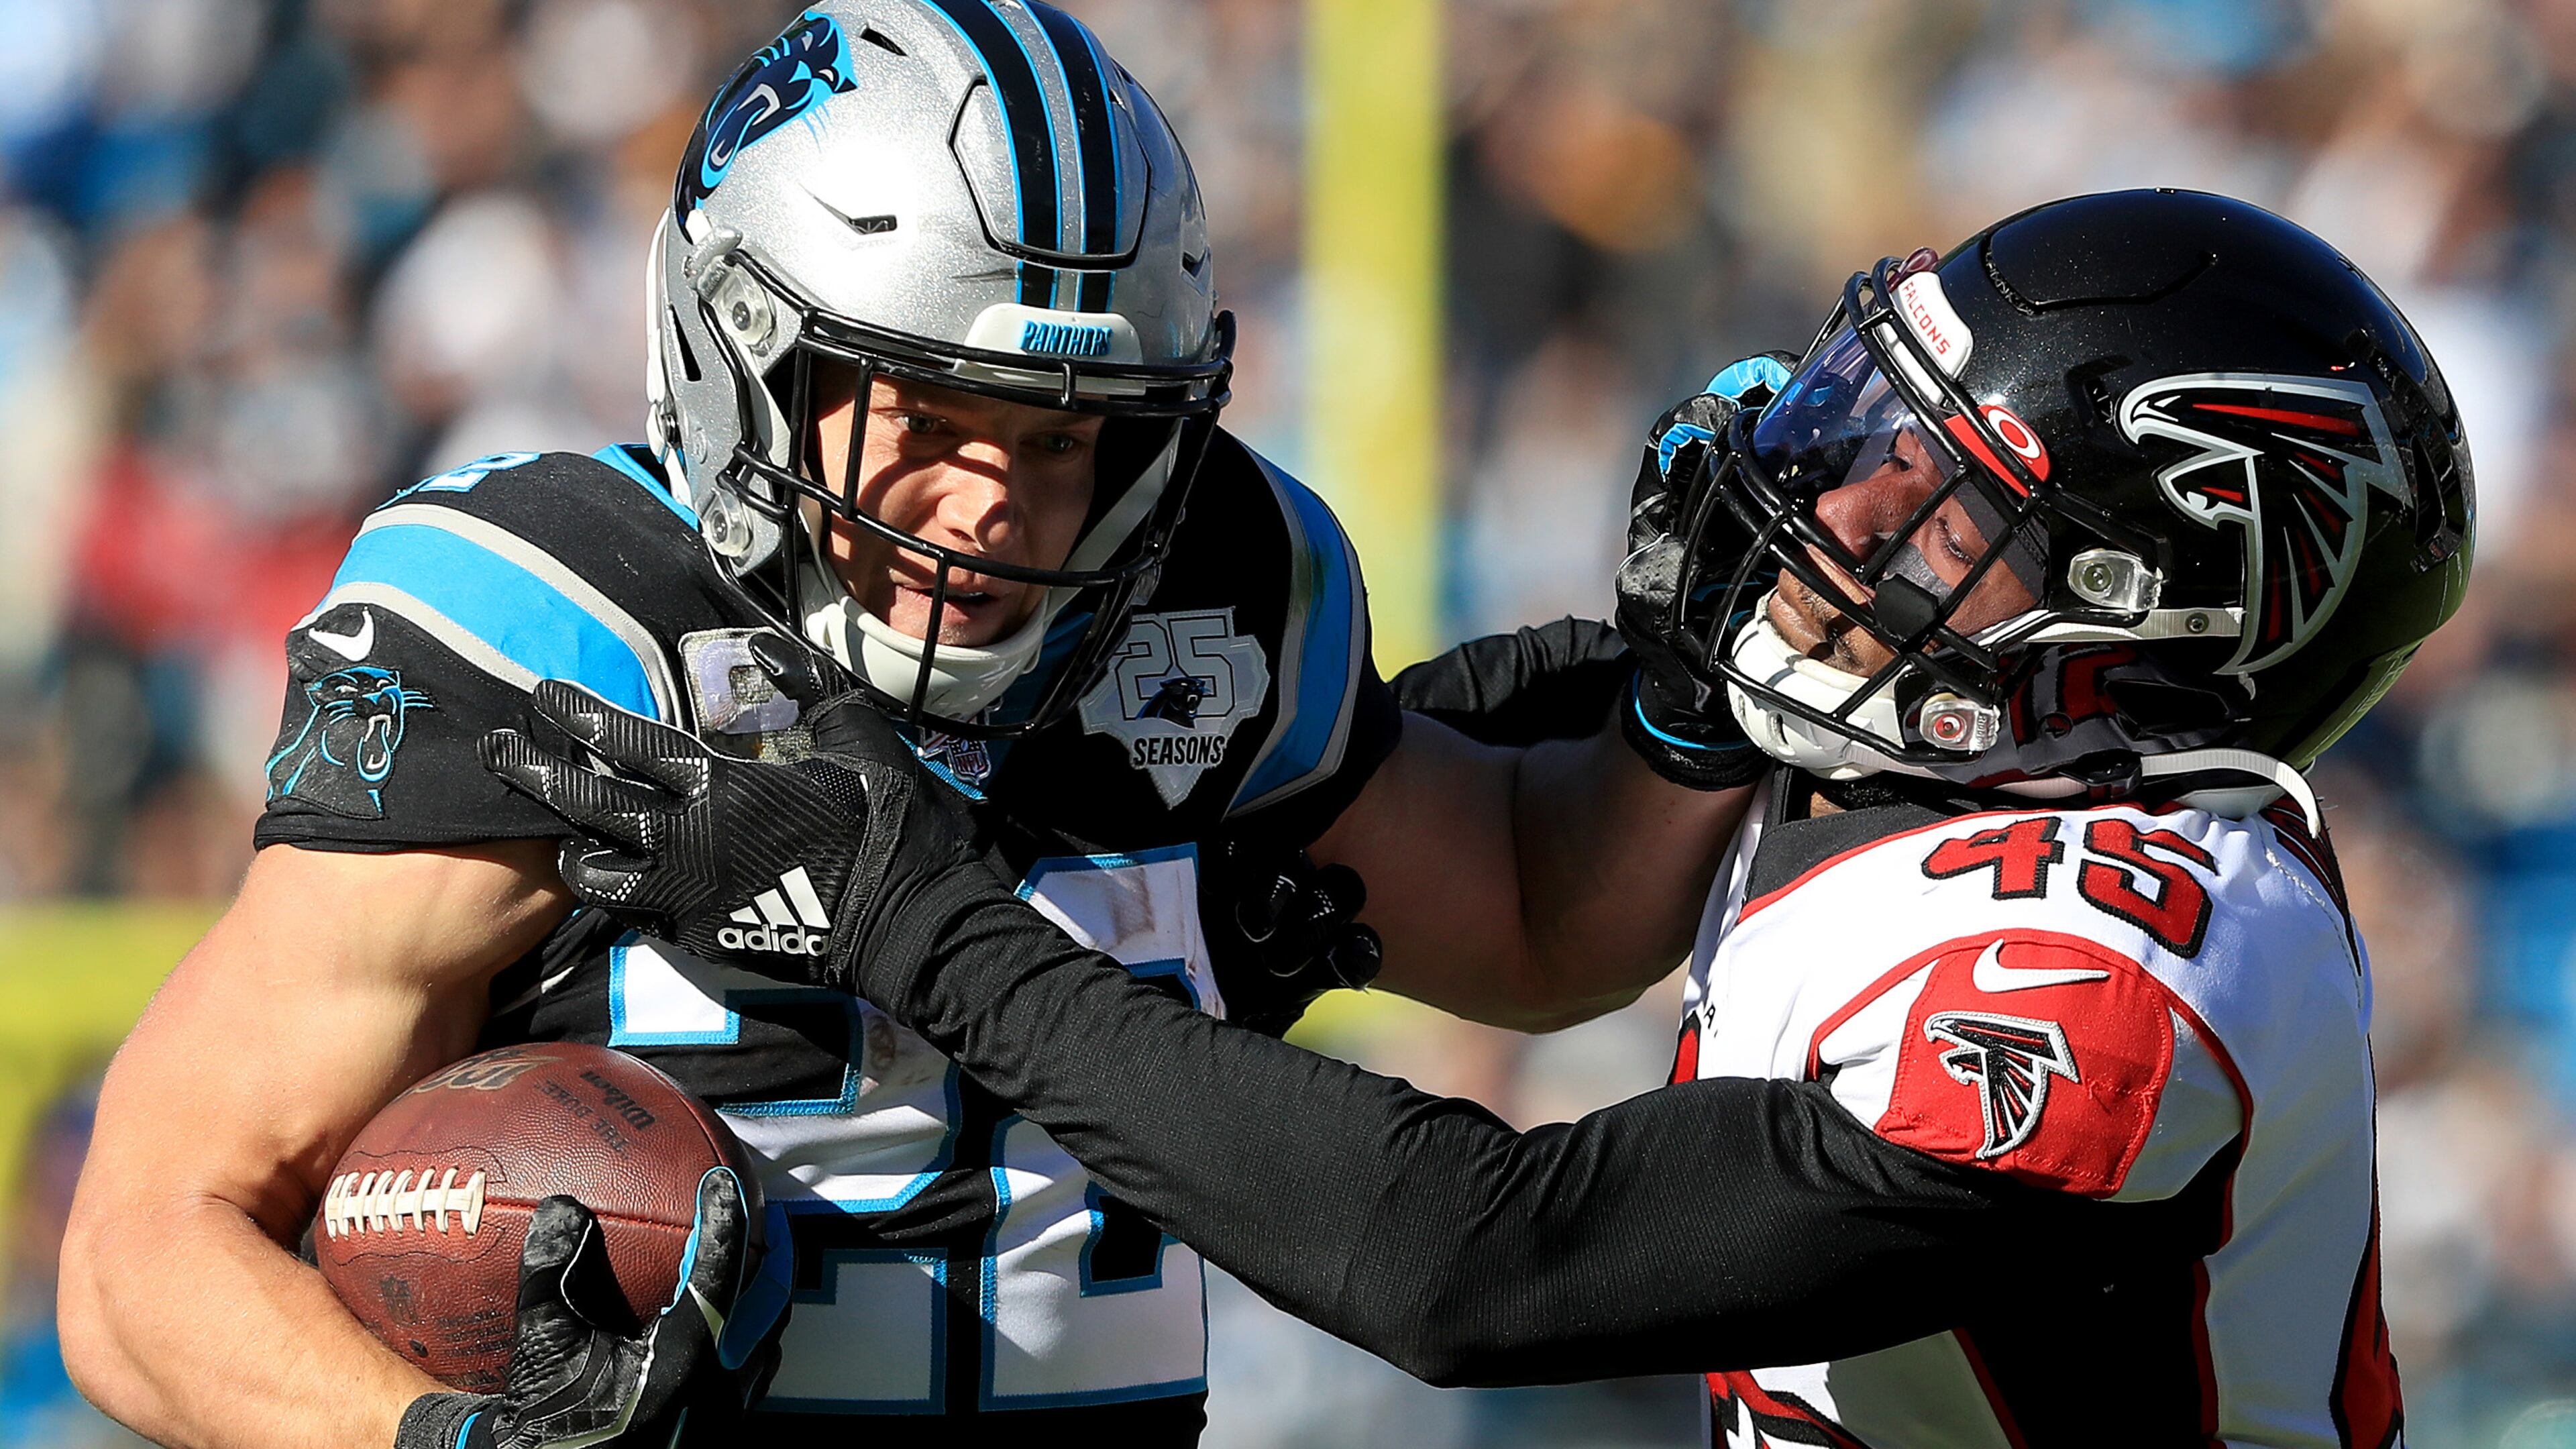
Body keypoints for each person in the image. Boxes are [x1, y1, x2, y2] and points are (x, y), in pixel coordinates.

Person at [494, 190, 2471, 1446]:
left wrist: (925, 924)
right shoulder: (1948, 755)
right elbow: (1452, 770)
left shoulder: (2132, 956)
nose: (1839, 506)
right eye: (1875, 425)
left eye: (1938, 507)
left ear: (2166, 619)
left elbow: (1478, 1268)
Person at [56, 5, 1754, 1448]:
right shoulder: (564, 629)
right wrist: (447, 1438)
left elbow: (1535, 926)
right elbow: (144, 1254)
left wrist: (1699, 710)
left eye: (1069, 433)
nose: (997, 505)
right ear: (749, 360)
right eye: (936, 413)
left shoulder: (1219, 593)